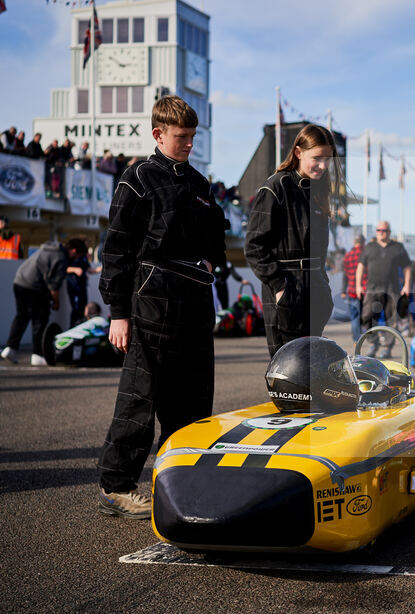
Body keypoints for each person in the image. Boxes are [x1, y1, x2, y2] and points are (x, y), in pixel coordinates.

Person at [97, 95, 227, 519]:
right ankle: (115, 488)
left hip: (194, 304)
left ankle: (176, 482)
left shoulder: (200, 184)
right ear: (158, 134)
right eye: (181, 136)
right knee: (141, 399)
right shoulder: (137, 178)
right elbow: (115, 249)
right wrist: (118, 312)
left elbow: (217, 237)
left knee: (192, 403)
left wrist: (211, 259)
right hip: (150, 302)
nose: (189, 143)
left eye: (192, 136)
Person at [245, 124, 341, 357]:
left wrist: (323, 284)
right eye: (317, 158)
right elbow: (254, 247)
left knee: (313, 372)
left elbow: (321, 249)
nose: (323, 166)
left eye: (328, 159)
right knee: (289, 372)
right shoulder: (275, 187)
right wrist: (280, 287)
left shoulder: (318, 191)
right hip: (287, 291)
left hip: (316, 291)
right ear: (298, 153)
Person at [2, 238, 88, 366]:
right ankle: (37, 355)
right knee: (40, 320)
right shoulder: (61, 258)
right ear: (74, 251)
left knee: (22, 316)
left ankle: (10, 348)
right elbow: (54, 286)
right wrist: (56, 302)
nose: (76, 259)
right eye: (78, 256)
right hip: (34, 287)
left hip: (19, 281)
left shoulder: (50, 247)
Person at [355, 220, 411, 358]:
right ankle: (373, 344)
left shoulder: (398, 247)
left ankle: (387, 347)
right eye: (379, 230)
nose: (381, 233)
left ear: (389, 232)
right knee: (367, 317)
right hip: (371, 288)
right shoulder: (370, 247)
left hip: (391, 289)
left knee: (391, 319)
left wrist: (407, 284)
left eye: (384, 230)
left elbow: (407, 267)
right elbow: (361, 267)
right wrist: (358, 285)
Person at [65, 243, 100, 328]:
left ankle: (81, 330)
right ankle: (73, 330)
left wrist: (103, 267)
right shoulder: (68, 256)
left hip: (82, 288)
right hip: (74, 287)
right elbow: (63, 268)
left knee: (83, 310)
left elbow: (90, 270)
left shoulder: (83, 258)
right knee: (76, 310)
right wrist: (75, 269)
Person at [339, 233, 366, 343]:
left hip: (351, 290)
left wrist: (343, 290)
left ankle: (356, 340)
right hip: (364, 289)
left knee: (355, 317)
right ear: (363, 242)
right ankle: (367, 336)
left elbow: (345, 275)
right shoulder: (365, 254)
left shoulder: (348, 256)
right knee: (366, 315)